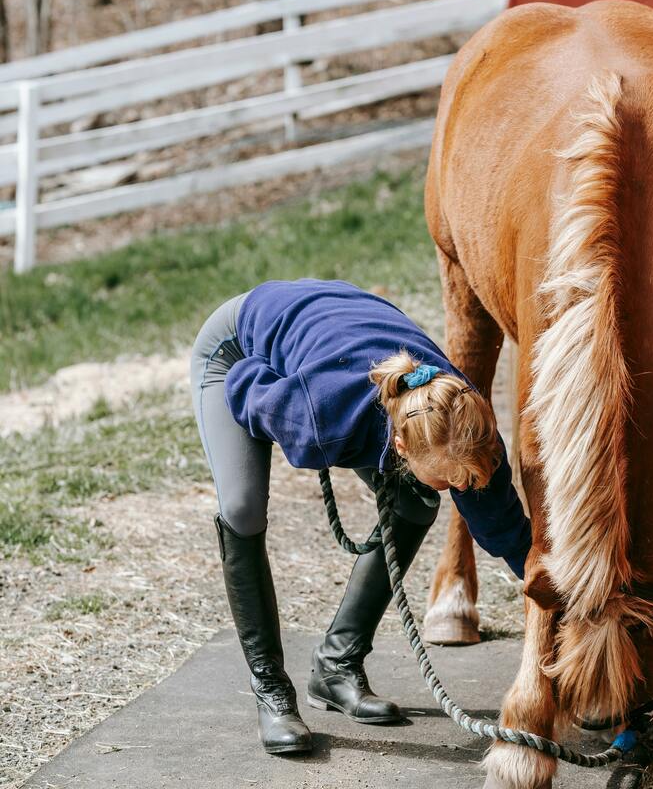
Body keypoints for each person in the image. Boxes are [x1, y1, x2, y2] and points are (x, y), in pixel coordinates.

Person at [190, 278, 531, 754]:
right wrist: (293, 365)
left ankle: (336, 665)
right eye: (445, 478)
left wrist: (570, 599)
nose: (460, 490)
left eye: (464, 482)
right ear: (399, 445)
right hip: (238, 353)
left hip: (339, 326)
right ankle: (271, 691)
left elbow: (508, 534)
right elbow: (244, 384)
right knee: (243, 508)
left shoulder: (466, 425)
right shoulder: (314, 419)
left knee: (416, 500)